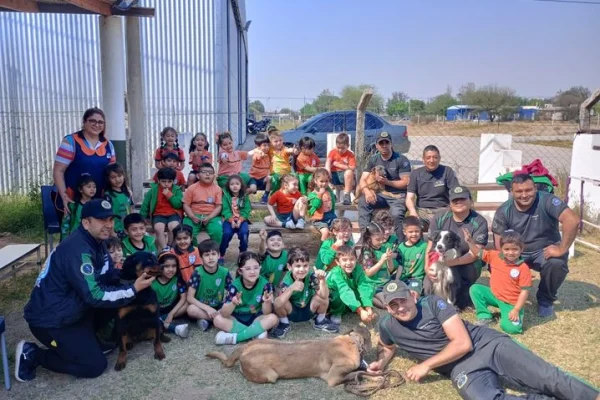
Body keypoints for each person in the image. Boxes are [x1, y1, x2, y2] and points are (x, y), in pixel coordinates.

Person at [369, 281, 599, 400]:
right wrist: (381, 362)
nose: (400, 307)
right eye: (393, 305)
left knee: (545, 376)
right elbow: (386, 346)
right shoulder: (387, 325)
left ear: (413, 296)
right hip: (460, 367)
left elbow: (462, 343)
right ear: (387, 309)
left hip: (487, 345)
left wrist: (427, 364)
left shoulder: (433, 304)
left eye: (403, 300)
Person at [15, 199, 155, 382]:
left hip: (74, 308)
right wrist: (133, 288)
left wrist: (132, 277)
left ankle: (88, 341)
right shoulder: (78, 250)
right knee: (94, 366)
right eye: (102, 220)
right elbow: (94, 295)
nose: (108, 225)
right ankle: (33, 354)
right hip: (52, 320)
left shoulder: (98, 241)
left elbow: (109, 275)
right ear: (86, 222)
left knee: (121, 295)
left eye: (111, 220)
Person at [492, 173, 579, 318]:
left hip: (544, 251)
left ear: (535, 188)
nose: (524, 195)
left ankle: (545, 299)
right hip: (517, 252)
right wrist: (513, 265)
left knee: (556, 264)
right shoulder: (504, 210)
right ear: (511, 192)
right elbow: (498, 246)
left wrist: (562, 249)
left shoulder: (547, 200)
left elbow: (573, 220)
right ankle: (509, 296)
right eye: (519, 191)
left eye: (529, 190)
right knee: (496, 263)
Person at [424, 185, 489, 310]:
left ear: (470, 201)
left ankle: (464, 294)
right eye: (455, 200)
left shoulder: (479, 221)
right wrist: (427, 267)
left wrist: (453, 262)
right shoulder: (439, 217)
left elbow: (475, 253)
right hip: (439, 261)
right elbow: (430, 247)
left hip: (466, 262)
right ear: (450, 203)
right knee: (428, 286)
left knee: (464, 279)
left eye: (462, 199)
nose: (458, 202)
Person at [464, 230, 531, 334]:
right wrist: (470, 241)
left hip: (510, 302)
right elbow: (478, 253)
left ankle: (507, 313)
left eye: (515, 249)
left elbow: (525, 292)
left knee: (512, 329)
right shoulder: (495, 256)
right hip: (494, 295)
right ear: (501, 249)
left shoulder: (523, 268)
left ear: (521, 249)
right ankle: (485, 316)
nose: (511, 252)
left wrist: (516, 309)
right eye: (507, 249)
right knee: (475, 289)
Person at [53, 108, 116, 214]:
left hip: (98, 198)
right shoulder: (70, 141)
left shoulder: (108, 145)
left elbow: (114, 173)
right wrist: (64, 196)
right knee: (74, 229)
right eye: (92, 121)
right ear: (84, 122)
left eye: (100, 122)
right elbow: (58, 171)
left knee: (97, 229)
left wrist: (124, 188)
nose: (97, 125)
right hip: (73, 198)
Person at [271, 247, 338, 338]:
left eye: (305, 265)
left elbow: (324, 296)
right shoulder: (286, 281)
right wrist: (291, 289)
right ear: (289, 267)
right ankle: (284, 324)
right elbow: (277, 304)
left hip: (309, 310)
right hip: (292, 313)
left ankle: (320, 320)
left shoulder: (311, 276)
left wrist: (322, 280)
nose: (302, 269)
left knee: (321, 295)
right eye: (298, 266)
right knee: (282, 300)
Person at [213, 251, 279, 345]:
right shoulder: (234, 286)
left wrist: (267, 302)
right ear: (240, 271)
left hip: (256, 318)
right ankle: (255, 334)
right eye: (248, 269)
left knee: (273, 318)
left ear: (260, 268)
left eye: (256, 268)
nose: (252, 272)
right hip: (236, 318)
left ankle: (235, 338)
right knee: (217, 319)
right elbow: (224, 314)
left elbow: (266, 313)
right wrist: (233, 303)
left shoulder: (266, 285)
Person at [357, 131, 411, 241]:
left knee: (396, 213)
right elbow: (362, 179)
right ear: (377, 145)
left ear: (391, 144)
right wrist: (367, 191)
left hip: (397, 196)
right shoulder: (374, 159)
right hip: (380, 195)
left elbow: (406, 182)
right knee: (363, 201)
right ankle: (365, 238)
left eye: (387, 142)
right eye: (381, 143)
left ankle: (399, 243)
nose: (384, 145)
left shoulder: (401, 159)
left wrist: (387, 182)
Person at [406, 145, 459, 230]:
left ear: (439, 158)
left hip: (443, 210)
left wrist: (453, 209)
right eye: (428, 157)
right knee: (413, 227)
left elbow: (456, 193)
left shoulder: (447, 171)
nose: (432, 160)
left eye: (435, 157)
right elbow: (409, 198)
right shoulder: (416, 174)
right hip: (422, 212)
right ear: (423, 159)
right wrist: (412, 212)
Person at [187, 239, 233, 331]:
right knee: (190, 309)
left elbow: (232, 293)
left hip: (218, 305)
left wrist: (225, 305)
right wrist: (207, 308)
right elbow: (190, 298)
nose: (211, 258)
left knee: (232, 308)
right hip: (202, 307)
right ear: (200, 257)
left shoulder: (224, 272)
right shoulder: (197, 273)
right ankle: (217, 319)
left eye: (213, 254)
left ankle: (207, 320)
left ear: (219, 255)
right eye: (207, 255)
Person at [326, 244, 376, 326]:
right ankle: (337, 312)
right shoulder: (335, 274)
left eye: (352, 259)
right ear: (338, 262)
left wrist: (368, 307)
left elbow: (364, 286)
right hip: (337, 295)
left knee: (369, 287)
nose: (349, 263)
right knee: (337, 295)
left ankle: (357, 308)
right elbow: (345, 291)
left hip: (349, 293)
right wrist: (360, 311)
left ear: (356, 260)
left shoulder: (358, 269)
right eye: (344, 260)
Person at [141, 167, 183, 251]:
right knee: (158, 228)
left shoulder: (177, 190)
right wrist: (142, 218)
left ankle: (171, 246)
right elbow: (145, 204)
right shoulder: (153, 190)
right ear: (159, 180)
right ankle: (165, 248)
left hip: (173, 213)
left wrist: (169, 195)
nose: (166, 184)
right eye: (163, 181)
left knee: (174, 227)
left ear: (173, 181)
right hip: (158, 214)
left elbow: (178, 205)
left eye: (169, 181)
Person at [182, 162, 223, 246]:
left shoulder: (217, 189)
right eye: (204, 172)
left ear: (214, 176)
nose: (207, 174)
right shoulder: (191, 188)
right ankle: (195, 251)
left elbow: (219, 206)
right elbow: (186, 204)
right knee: (187, 232)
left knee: (217, 231)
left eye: (210, 173)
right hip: (193, 215)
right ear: (198, 176)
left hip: (212, 216)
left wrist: (209, 217)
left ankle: (213, 251)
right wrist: (192, 217)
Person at [357, 222, 397, 308]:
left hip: (386, 282)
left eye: (382, 238)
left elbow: (390, 270)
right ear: (369, 238)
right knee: (387, 304)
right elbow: (368, 273)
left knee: (396, 298)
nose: (381, 241)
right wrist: (381, 261)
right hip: (374, 285)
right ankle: (368, 297)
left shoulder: (384, 249)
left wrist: (389, 259)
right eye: (378, 239)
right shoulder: (367, 252)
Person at [151, 252, 189, 339]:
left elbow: (183, 298)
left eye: (174, 266)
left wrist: (171, 314)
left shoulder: (177, 279)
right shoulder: (152, 282)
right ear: (159, 266)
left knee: (188, 303)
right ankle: (175, 328)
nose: (171, 269)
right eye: (166, 266)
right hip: (157, 311)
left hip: (172, 309)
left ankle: (162, 319)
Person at [220, 174, 251, 260]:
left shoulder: (244, 196)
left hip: (242, 220)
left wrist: (240, 220)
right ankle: (221, 254)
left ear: (241, 185)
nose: (234, 186)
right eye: (232, 184)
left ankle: (242, 253)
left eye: (237, 184)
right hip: (229, 220)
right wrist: (231, 220)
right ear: (228, 186)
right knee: (226, 234)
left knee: (244, 233)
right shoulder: (226, 196)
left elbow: (247, 209)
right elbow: (225, 209)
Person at [103, 163, 134, 237]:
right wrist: (112, 232)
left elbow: (131, 209)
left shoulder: (127, 192)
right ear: (108, 179)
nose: (117, 179)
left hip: (128, 229)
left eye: (120, 176)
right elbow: (107, 215)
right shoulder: (108, 195)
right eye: (113, 177)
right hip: (115, 231)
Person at [325, 132, 356, 205]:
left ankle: (347, 195)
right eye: (338, 147)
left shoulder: (350, 154)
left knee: (349, 172)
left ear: (348, 146)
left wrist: (339, 165)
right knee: (325, 171)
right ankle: (332, 194)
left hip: (344, 176)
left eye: (343, 148)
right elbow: (328, 162)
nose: (340, 150)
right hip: (333, 175)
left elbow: (353, 168)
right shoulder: (333, 152)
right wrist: (328, 171)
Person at [307, 168, 337, 241]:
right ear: (315, 181)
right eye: (321, 181)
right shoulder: (312, 194)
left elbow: (333, 202)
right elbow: (316, 205)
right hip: (319, 219)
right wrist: (320, 194)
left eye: (326, 181)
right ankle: (323, 250)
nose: (324, 184)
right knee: (325, 232)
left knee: (341, 227)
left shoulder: (329, 192)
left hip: (331, 216)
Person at [397, 216, 427, 288]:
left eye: (417, 231)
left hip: (416, 279)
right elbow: (399, 265)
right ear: (404, 232)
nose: (414, 234)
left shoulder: (425, 246)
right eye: (410, 232)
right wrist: (397, 279)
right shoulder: (401, 247)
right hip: (402, 278)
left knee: (413, 294)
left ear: (420, 231)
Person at [268, 127, 296, 192]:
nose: (278, 143)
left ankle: (294, 194)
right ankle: (275, 194)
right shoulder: (270, 150)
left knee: (295, 177)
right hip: (275, 173)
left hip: (286, 173)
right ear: (271, 143)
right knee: (275, 179)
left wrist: (293, 150)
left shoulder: (284, 149)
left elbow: (288, 150)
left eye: (280, 140)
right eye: (276, 141)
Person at [247, 132, 272, 203]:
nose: (267, 147)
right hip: (254, 178)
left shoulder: (268, 154)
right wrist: (259, 153)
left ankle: (265, 196)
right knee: (253, 189)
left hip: (263, 179)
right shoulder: (257, 154)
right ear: (258, 146)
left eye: (268, 145)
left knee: (269, 179)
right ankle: (242, 195)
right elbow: (256, 158)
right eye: (264, 145)